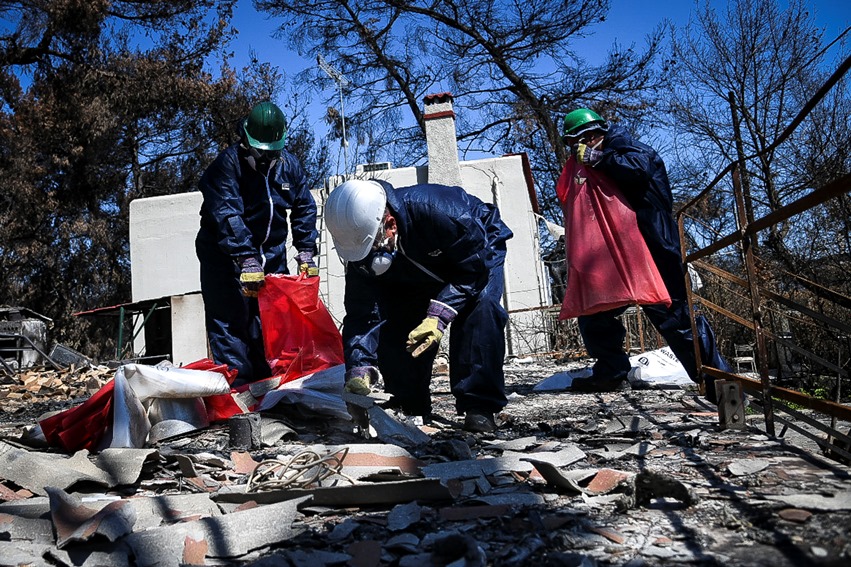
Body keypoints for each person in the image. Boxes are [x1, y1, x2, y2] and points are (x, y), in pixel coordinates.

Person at [561, 108, 730, 400]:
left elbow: (637, 170)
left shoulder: (628, 148)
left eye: (586, 139)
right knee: (595, 311)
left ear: (596, 134)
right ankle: (610, 372)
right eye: (576, 143)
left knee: (673, 315)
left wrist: (601, 159)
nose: (582, 147)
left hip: (653, 247)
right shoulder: (594, 160)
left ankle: (719, 382)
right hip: (614, 252)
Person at [324, 179, 513, 432]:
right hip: (414, 267)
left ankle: (479, 406)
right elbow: (363, 315)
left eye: (372, 248)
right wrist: (358, 370)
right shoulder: (361, 256)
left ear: (390, 225)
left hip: (476, 252)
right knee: (399, 323)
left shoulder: (443, 212)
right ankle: (409, 403)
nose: (369, 259)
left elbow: (473, 269)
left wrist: (439, 314)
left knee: (481, 309)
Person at [196, 101, 319, 385]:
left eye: (272, 151)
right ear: (246, 140)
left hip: (271, 254)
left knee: (271, 322)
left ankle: (270, 385)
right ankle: (240, 388)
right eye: (260, 151)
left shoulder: (289, 166)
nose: (266, 157)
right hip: (224, 258)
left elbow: (304, 207)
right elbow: (227, 214)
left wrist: (306, 250)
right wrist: (246, 258)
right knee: (231, 321)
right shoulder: (227, 166)